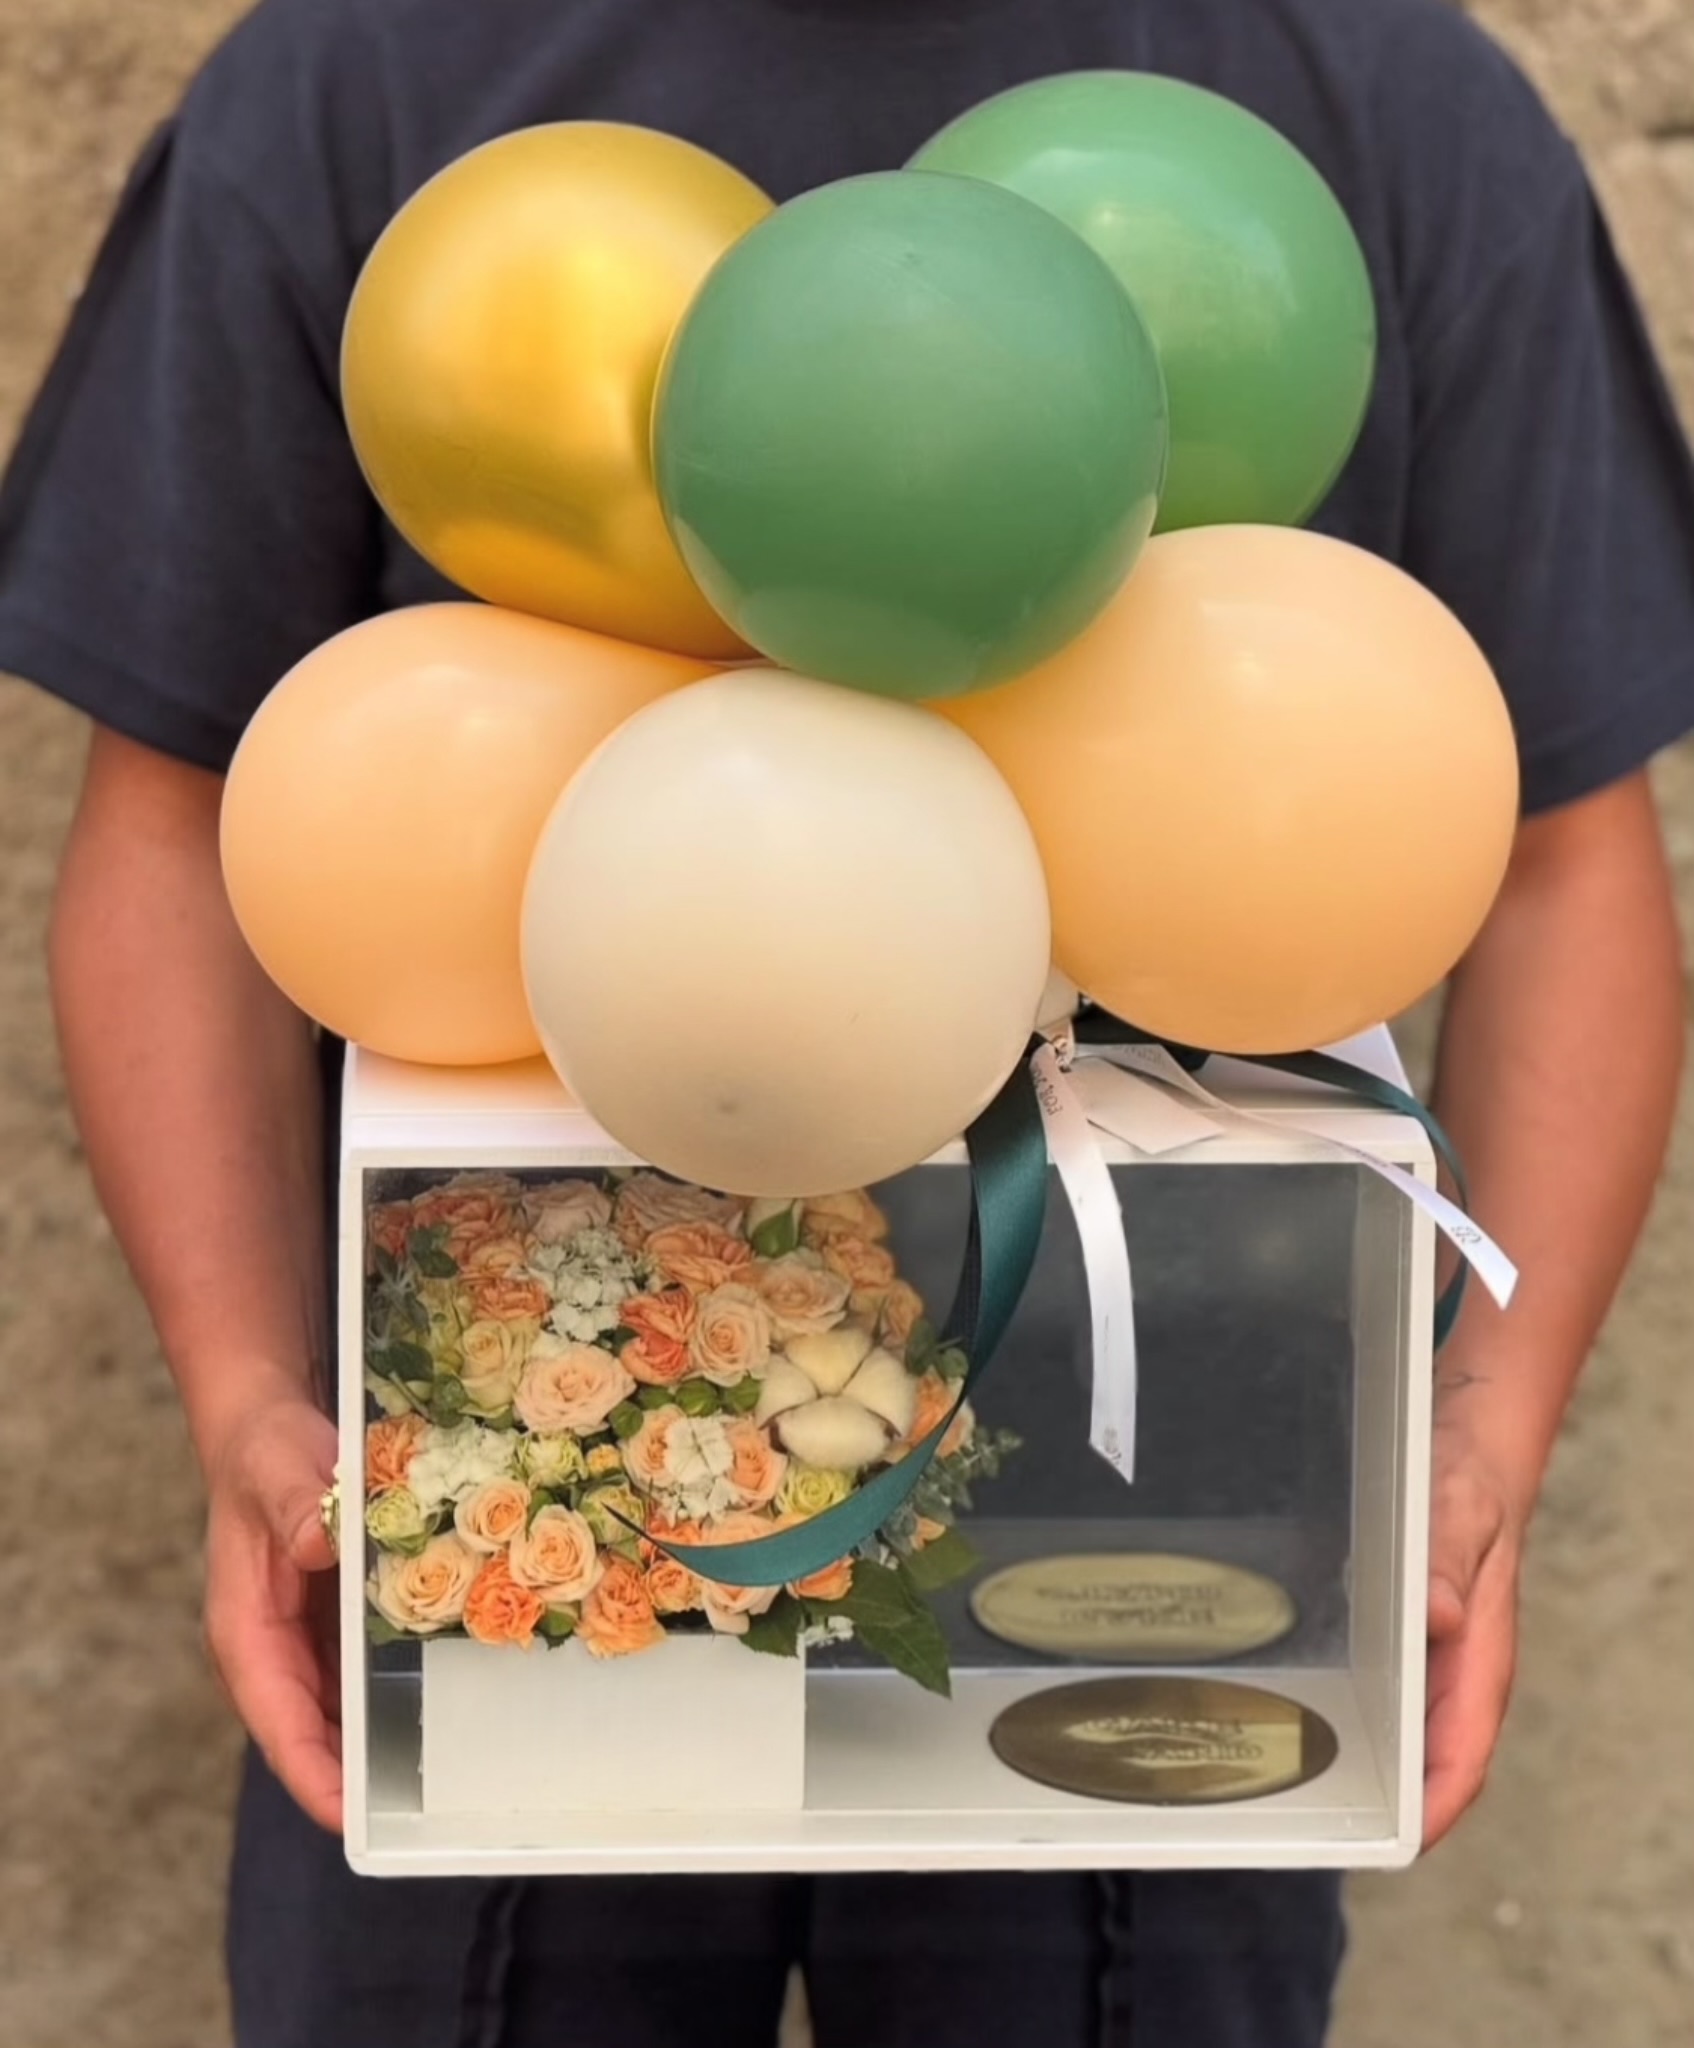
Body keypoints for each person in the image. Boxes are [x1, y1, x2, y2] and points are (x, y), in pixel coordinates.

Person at [3, 0, 1691, 2042]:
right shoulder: (360, 80)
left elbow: (1559, 862)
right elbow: (178, 831)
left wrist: (1480, 1433)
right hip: (522, 1491)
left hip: (1159, 1521)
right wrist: (247, 1404)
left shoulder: (1385, 106)